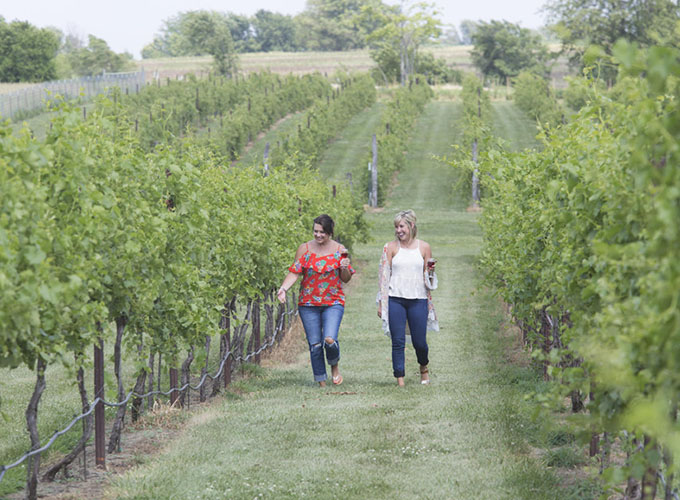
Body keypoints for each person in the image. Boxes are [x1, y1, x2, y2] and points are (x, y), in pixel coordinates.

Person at [277, 214, 354, 387]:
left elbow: (346, 278)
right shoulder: (304, 249)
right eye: (315, 231)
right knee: (315, 344)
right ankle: (321, 382)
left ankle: (334, 366)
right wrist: (283, 288)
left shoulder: (340, 250)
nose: (318, 235)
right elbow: (295, 271)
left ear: (330, 232)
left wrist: (344, 268)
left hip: (333, 302)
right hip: (308, 304)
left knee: (329, 339)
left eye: (322, 232)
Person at [377, 209, 438, 386]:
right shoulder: (390, 247)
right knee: (398, 340)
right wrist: (382, 302)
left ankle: (423, 367)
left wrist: (431, 272)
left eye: (401, 226)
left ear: (411, 226)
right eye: (396, 227)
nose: (398, 230)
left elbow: (429, 279)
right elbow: (383, 276)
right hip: (395, 298)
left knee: (420, 342)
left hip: (418, 299)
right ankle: (400, 379)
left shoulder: (424, 247)